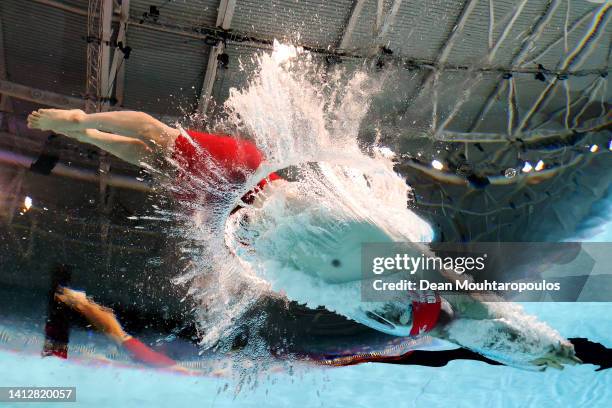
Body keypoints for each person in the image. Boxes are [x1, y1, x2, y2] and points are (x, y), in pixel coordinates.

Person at [26, 108, 582, 370]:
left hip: (263, 210)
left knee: (156, 146)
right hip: (260, 207)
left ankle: (541, 350)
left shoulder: (385, 294)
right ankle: (541, 350)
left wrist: (80, 127)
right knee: (157, 147)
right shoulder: (385, 293)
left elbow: (148, 135)